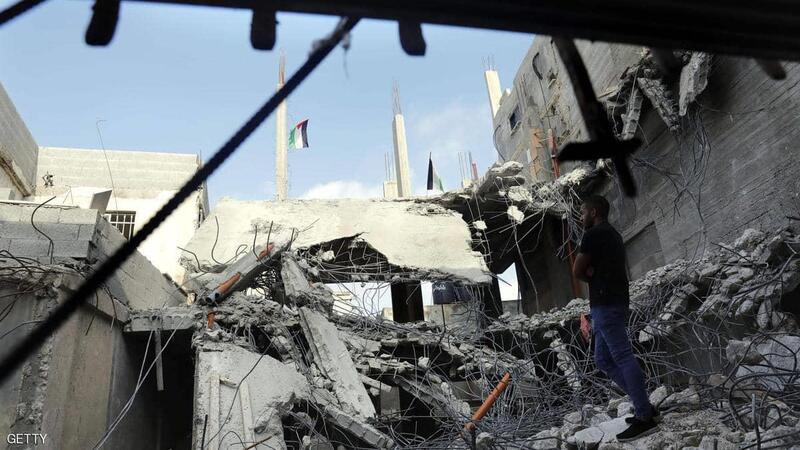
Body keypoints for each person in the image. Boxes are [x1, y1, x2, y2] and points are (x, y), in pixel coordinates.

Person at [572, 195, 659, 442]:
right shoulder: (614, 235)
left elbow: (577, 270)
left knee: (621, 356)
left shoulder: (593, 235)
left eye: (583, 212)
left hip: (606, 304)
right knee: (602, 359)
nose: (581, 217)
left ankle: (644, 416)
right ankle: (643, 405)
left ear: (594, 212)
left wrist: (591, 275)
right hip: (614, 302)